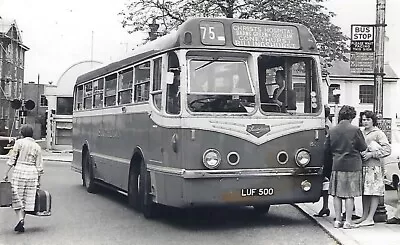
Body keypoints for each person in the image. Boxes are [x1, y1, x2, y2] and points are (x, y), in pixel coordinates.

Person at [325, 105, 367, 229]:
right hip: (353, 165)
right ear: (352, 116)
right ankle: (348, 221)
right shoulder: (355, 130)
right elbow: (363, 147)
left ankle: (338, 220)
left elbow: (326, 149)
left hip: (337, 164)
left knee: (337, 194)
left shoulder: (332, 130)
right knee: (350, 195)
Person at [3, 125, 44, 233]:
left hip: (20, 171)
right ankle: (21, 221)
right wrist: (38, 181)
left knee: (17, 198)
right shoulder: (37, 146)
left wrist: (5, 173)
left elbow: (12, 158)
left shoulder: (19, 143)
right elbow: (39, 166)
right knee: (26, 199)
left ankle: (20, 219)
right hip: (32, 173)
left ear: (22, 133)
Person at [354, 110, 391, 227]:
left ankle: (370, 217)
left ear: (373, 121)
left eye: (368, 120)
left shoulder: (378, 133)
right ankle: (364, 216)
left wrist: (372, 154)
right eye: (363, 120)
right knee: (365, 192)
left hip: (374, 167)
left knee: (374, 192)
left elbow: (387, 149)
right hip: (363, 166)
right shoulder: (361, 132)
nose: (365, 122)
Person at [314, 105, 333, 217]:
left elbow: (325, 143)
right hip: (327, 157)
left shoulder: (326, 126)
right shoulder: (328, 124)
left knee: (327, 182)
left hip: (326, 158)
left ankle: (325, 206)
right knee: (326, 183)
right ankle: (325, 207)